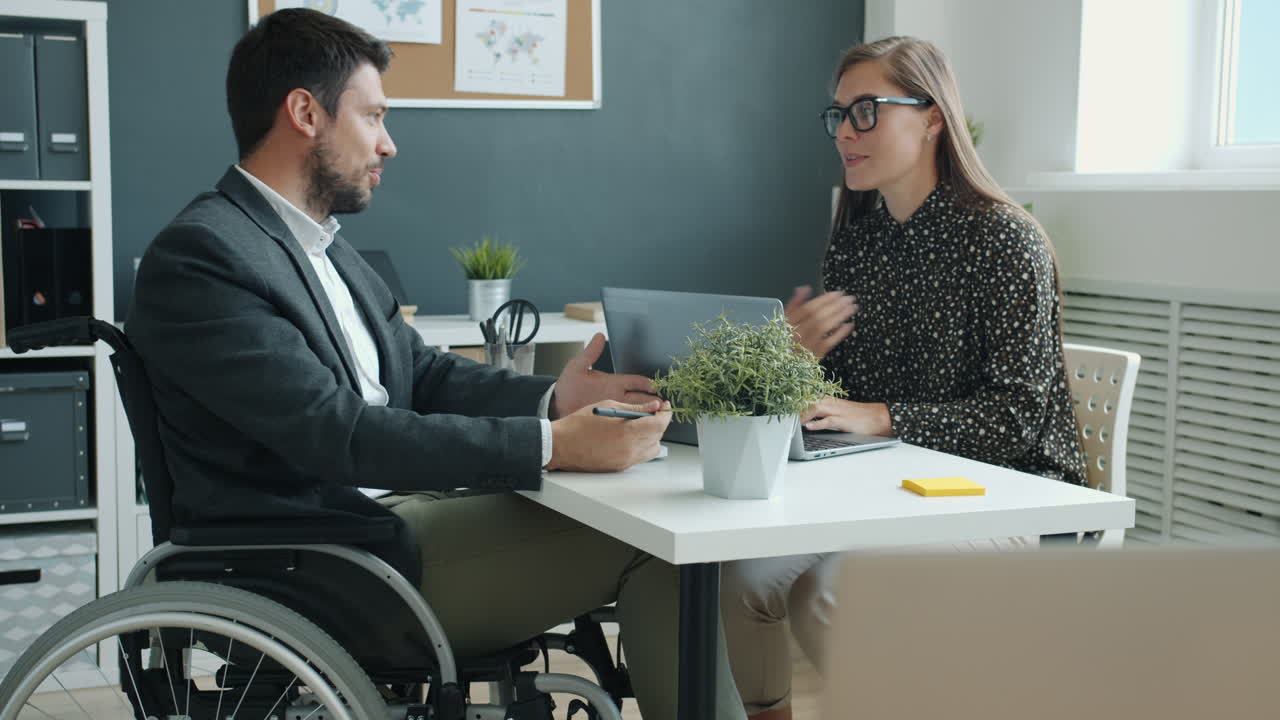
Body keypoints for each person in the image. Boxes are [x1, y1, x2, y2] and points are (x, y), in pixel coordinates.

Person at [128, 9, 746, 719]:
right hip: (320, 568)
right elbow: (340, 435)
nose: (388, 144)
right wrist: (553, 448)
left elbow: (422, 376)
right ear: (304, 113)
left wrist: (554, 403)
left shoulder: (319, 247)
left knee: (650, 524)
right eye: (374, 117)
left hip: (378, 530)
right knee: (664, 547)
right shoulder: (207, 257)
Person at [718, 36, 1088, 720]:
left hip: (1013, 496)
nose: (845, 134)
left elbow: (1016, 419)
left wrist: (883, 415)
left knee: (838, 589)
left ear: (932, 118)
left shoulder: (1008, 240)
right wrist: (797, 361)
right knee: (738, 577)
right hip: (887, 484)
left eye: (867, 111)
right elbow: (841, 394)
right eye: (838, 115)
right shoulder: (859, 237)